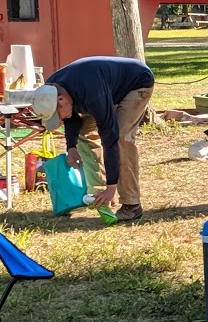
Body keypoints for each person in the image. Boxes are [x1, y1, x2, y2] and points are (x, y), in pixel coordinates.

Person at [30, 56, 155, 222]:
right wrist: (71, 147)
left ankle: (131, 205)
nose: (59, 120)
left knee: (120, 139)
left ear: (61, 99)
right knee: (84, 134)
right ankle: (100, 196)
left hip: (136, 82)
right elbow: (72, 118)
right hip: (101, 87)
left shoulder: (92, 93)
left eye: (57, 115)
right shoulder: (53, 89)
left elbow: (109, 136)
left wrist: (112, 185)